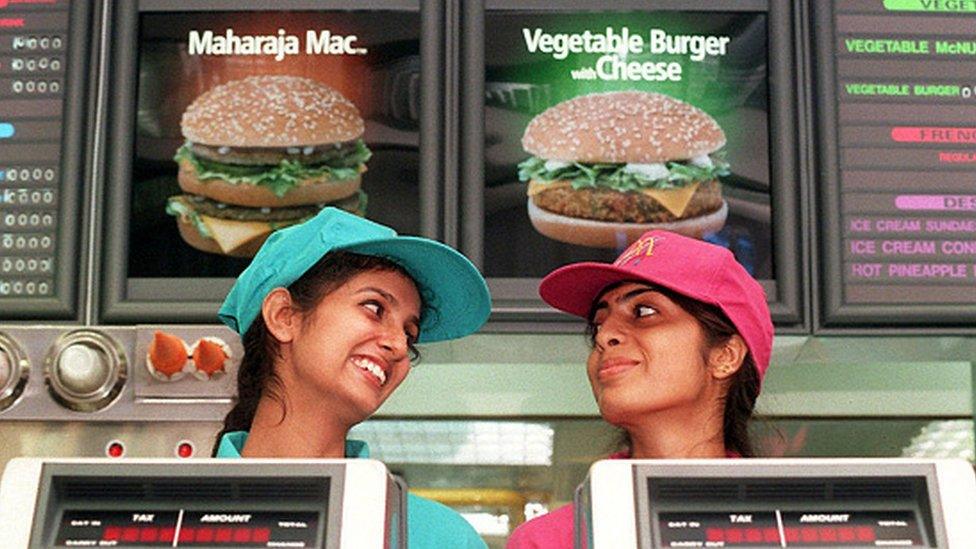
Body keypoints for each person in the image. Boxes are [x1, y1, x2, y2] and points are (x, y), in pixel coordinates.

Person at [213, 207, 491, 549]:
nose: (400, 346)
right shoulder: (163, 514)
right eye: (375, 308)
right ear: (284, 316)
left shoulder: (441, 538)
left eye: (410, 333)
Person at [507, 230, 773, 548]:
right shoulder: (548, 541)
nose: (605, 337)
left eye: (644, 312)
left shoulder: (802, 526)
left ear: (725, 356)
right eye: (598, 325)